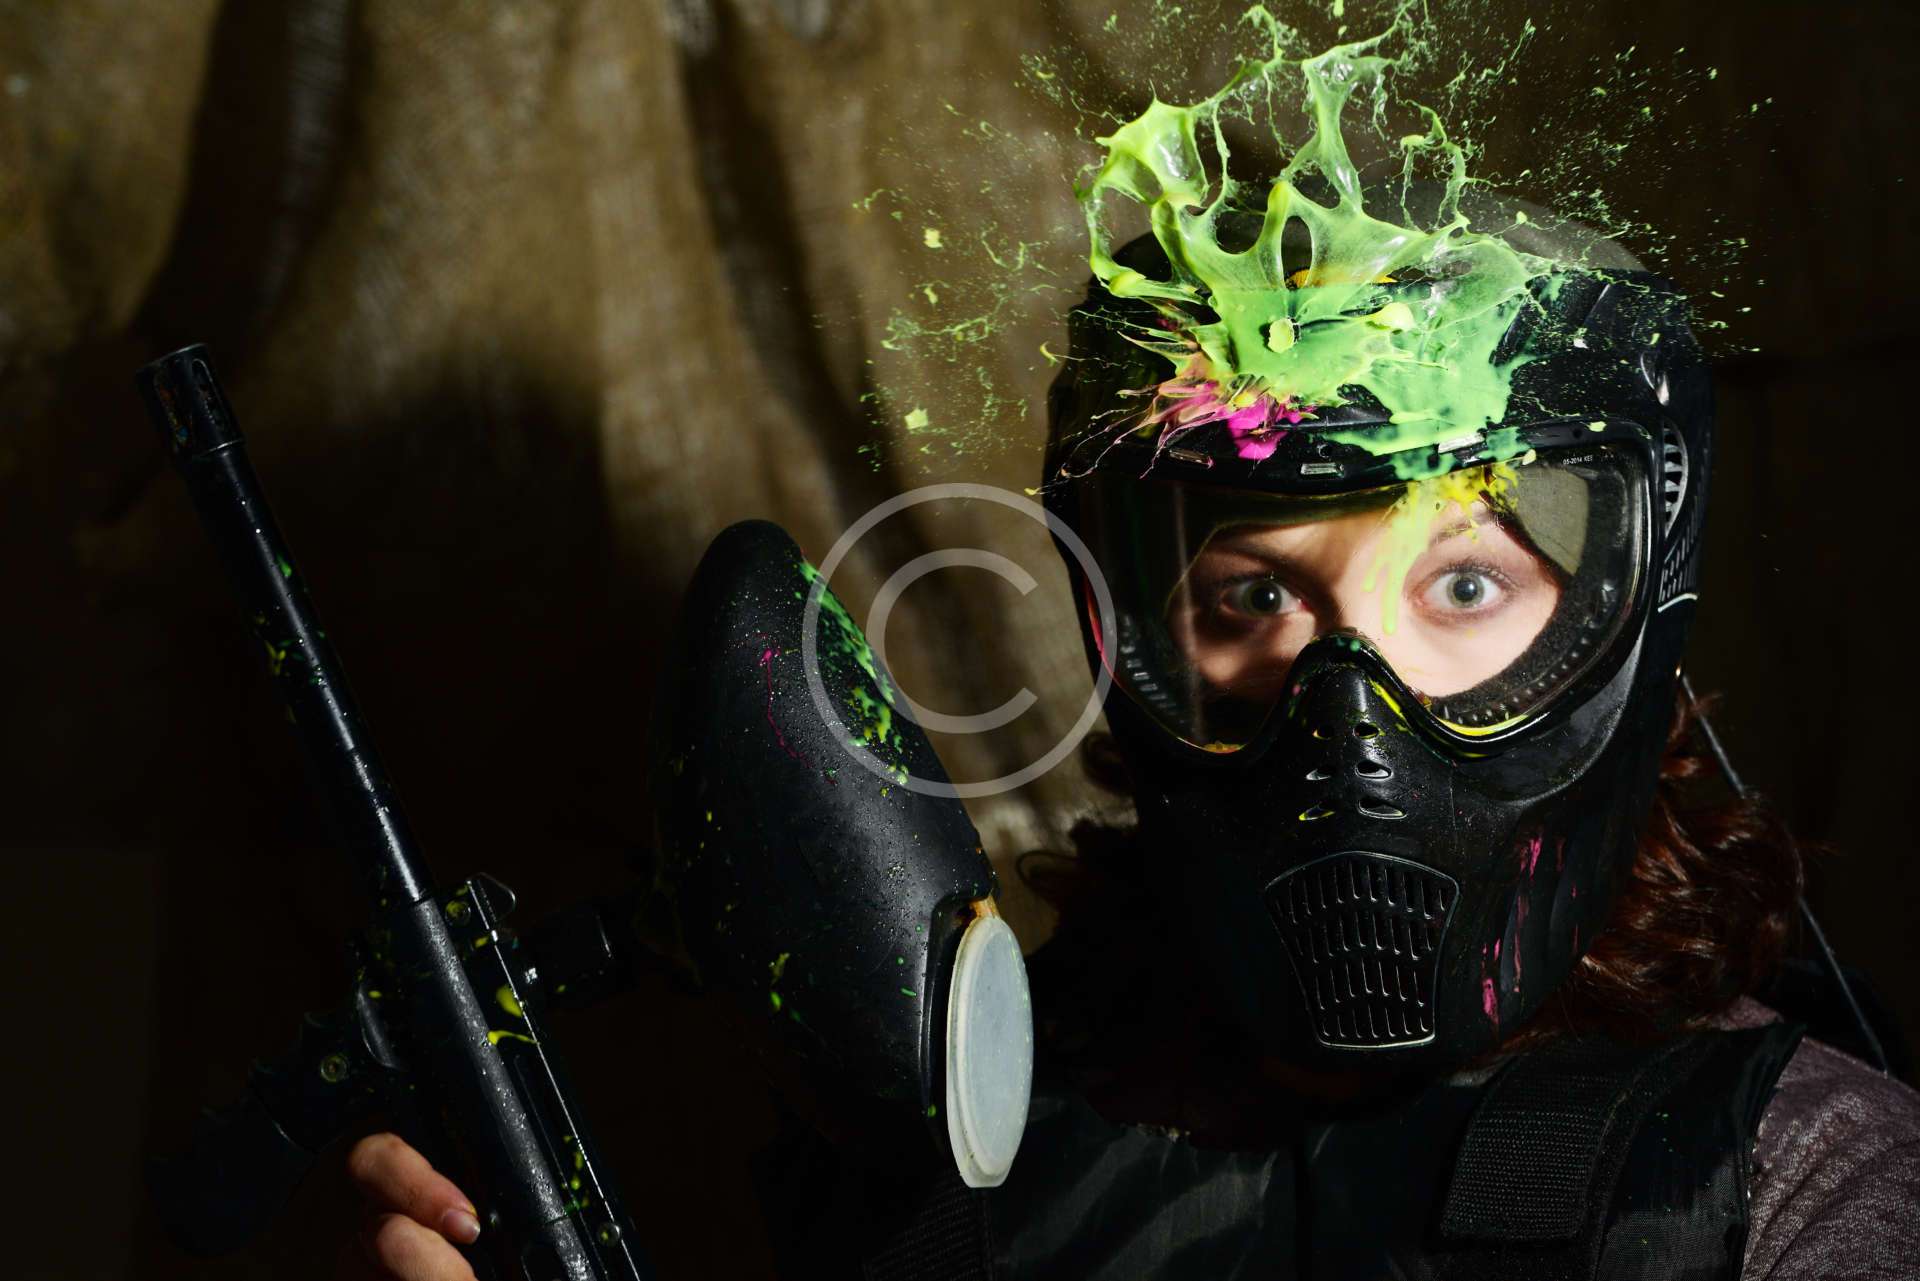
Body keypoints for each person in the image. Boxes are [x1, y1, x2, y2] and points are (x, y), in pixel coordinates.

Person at [337, 212, 1920, 1279]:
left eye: (1461, 585)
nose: (1345, 707)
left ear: (1621, 628)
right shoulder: (963, 1179)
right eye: (1252, 595)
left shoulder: (1796, 1174)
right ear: (1132, 636)